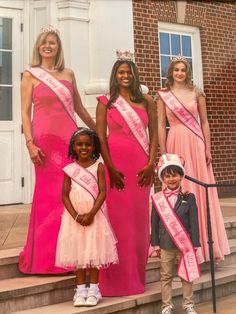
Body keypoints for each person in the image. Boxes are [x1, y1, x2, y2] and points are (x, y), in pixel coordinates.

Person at [20, 25, 96, 274]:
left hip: (69, 141)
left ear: (58, 47)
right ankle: (44, 258)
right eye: (44, 42)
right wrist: (30, 144)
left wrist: (100, 134)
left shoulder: (69, 74)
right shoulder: (30, 75)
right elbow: (24, 113)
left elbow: (81, 109)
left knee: (70, 194)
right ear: (38, 46)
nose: (48, 46)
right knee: (47, 196)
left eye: (52, 42)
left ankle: (71, 255)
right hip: (43, 142)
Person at [155, 56, 230, 263]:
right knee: (178, 190)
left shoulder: (197, 93)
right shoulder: (163, 95)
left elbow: (204, 122)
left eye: (183, 69)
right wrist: (163, 152)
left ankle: (205, 247)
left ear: (188, 72)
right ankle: (179, 246)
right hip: (175, 141)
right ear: (171, 72)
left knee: (198, 191)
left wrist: (208, 147)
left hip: (196, 144)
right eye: (176, 70)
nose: (180, 73)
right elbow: (161, 125)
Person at [96, 51, 157, 296]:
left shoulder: (147, 101)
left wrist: (151, 163)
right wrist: (110, 167)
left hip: (141, 168)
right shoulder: (105, 103)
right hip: (116, 167)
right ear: (115, 75)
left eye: (128, 72)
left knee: (138, 222)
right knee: (117, 222)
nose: (125, 75)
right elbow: (101, 138)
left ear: (134, 75)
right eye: (121, 72)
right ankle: (116, 280)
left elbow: (153, 136)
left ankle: (136, 277)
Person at [55, 128, 118, 307]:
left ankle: (94, 290)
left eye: (88, 144)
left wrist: (90, 214)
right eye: (80, 144)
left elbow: (103, 192)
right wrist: (75, 216)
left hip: (94, 216)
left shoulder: (98, 166)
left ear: (94, 147)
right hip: (74, 219)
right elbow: (64, 196)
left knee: (94, 252)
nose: (84, 147)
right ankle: (81, 290)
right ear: (73, 147)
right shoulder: (69, 169)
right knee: (79, 253)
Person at [152, 153, 200, 314]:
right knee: (166, 276)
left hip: (184, 245)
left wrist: (195, 243)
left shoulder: (189, 197)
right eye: (168, 176)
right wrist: (155, 243)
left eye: (175, 175)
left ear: (181, 176)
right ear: (163, 179)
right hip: (165, 245)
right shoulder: (157, 199)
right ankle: (166, 305)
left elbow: (194, 222)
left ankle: (188, 304)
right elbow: (154, 222)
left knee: (187, 275)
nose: (172, 179)